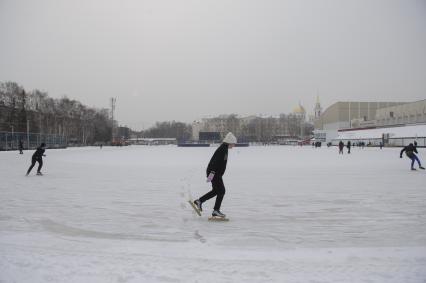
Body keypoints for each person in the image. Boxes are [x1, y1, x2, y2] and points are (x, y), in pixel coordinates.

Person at [193, 132, 237, 218]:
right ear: (230, 142)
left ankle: (199, 201)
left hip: (214, 173)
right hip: (214, 173)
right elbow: (215, 162)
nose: (234, 145)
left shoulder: (224, 148)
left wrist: (211, 175)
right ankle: (216, 210)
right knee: (222, 191)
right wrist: (211, 175)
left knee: (216, 191)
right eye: (233, 143)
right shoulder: (223, 149)